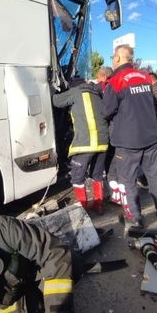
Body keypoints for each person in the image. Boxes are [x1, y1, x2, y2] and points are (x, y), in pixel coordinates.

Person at [103, 44, 157, 227]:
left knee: (127, 180)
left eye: (113, 57)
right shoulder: (146, 78)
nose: (112, 60)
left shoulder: (115, 81)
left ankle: (135, 218)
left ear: (117, 58)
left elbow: (107, 111)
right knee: (155, 175)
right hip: (150, 137)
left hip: (127, 142)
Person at [52, 75, 109, 213]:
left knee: (77, 178)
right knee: (97, 175)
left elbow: (56, 101)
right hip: (102, 143)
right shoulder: (97, 93)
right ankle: (98, 206)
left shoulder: (76, 91)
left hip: (85, 144)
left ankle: (84, 209)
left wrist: (52, 90)